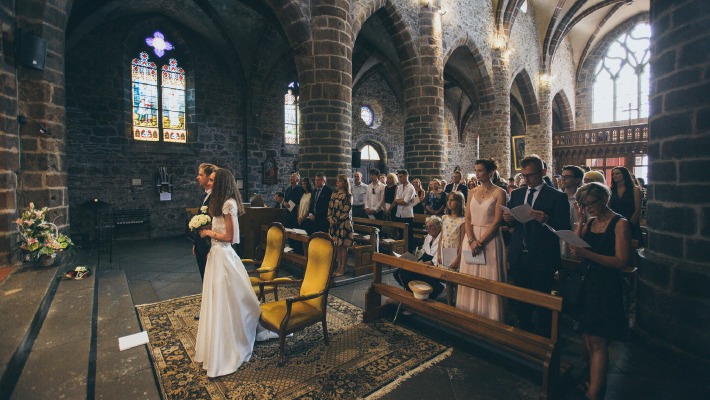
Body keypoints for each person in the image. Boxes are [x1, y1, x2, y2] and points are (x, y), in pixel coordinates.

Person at [194, 168, 275, 378]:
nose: (209, 182)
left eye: (212, 180)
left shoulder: (229, 203)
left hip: (225, 256)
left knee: (231, 301)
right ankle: (218, 341)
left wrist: (208, 232)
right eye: (208, 179)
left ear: (221, 182)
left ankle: (233, 341)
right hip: (215, 255)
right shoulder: (218, 203)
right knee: (217, 301)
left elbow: (231, 236)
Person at [570, 183, 631, 400]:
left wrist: (590, 256)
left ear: (603, 199)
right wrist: (580, 220)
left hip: (608, 284)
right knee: (588, 337)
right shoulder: (591, 222)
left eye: (590, 203)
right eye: (584, 205)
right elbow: (577, 250)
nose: (588, 208)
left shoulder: (619, 223)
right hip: (590, 283)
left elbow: (621, 261)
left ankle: (594, 393)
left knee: (598, 340)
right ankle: (594, 381)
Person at [503, 154, 571, 336]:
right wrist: (508, 219)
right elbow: (513, 225)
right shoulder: (516, 194)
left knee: (542, 300)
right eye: (524, 176)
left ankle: (543, 339)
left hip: (542, 256)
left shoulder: (557, 197)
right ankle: (523, 335)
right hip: (519, 253)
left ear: (543, 172)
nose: (526, 180)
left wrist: (547, 219)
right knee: (521, 300)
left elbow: (564, 227)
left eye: (530, 175)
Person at [458, 159, 508, 321]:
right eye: (476, 170)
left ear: (491, 172)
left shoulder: (500, 192)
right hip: (471, 236)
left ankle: (489, 317)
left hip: (490, 239)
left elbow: (497, 221)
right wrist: (472, 240)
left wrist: (480, 242)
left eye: (480, 170)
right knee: (470, 277)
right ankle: (467, 312)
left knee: (488, 278)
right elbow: (467, 218)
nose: (477, 174)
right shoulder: (471, 192)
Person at [393, 216, 444, 299]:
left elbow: (441, 254)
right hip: (424, 260)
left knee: (406, 273)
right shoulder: (429, 236)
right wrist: (415, 257)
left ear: (439, 227)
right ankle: (412, 292)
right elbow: (423, 250)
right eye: (427, 227)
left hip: (433, 263)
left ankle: (432, 289)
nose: (428, 229)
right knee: (399, 272)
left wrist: (431, 262)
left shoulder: (443, 238)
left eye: (431, 226)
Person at [193, 163, 218, 285]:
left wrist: (210, 249)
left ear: (209, 177)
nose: (198, 177)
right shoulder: (204, 194)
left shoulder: (215, 197)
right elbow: (200, 219)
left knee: (211, 278)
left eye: (200, 174)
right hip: (201, 243)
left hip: (210, 243)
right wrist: (195, 243)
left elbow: (216, 224)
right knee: (204, 275)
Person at [328, 174, 354, 277]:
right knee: (337, 245)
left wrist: (336, 220)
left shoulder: (348, 195)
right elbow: (330, 206)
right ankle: (338, 266)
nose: (337, 183)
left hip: (344, 224)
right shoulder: (334, 193)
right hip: (334, 223)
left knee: (343, 246)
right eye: (337, 181)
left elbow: (346, 210)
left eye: (339, 181)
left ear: (344, 183)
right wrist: (330, 217)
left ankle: (343, 268)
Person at [609, 166, 643, 242]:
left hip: (631, 222)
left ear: (624, 175)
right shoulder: (611, 190)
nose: (614, 175)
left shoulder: (635, 190)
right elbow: (609, 207)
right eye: (613, 174)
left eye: (617, 173)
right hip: (615, 222)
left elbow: (637, 210)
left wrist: (629, 225)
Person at [560, 165, 585, 260]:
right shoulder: (558, 197)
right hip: (561, 237)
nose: (563, 179)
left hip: (578, 236)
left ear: (577, 180)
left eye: (567, 177)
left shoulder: (582, 198)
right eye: (562, 176)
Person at [437, 191, 465, 269]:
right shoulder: (445, 218)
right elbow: (441, 238)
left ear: (459, 202)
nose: (449, 202)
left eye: (452, 200)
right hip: (444, 249)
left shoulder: (462, 221)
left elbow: (463, 242)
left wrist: (458, 259)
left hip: (455, 251)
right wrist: (438, 253)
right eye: (448, 200)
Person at [393, 170, 417, 252]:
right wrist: (399, 200)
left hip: (407, 215)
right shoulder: (399, 187)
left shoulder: (410, 188)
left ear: (406, 176)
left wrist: (399, 200)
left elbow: (405, 201)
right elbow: (395, 199)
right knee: (401, 235)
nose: (399, 179)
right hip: (399, 214)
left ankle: (410, 252)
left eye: (401, 177)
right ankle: (402, 251)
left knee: (408, 236)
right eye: (398, 177)